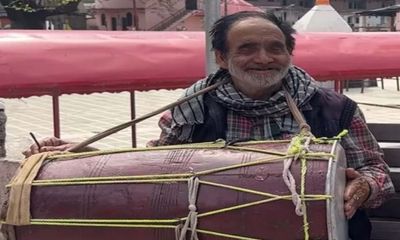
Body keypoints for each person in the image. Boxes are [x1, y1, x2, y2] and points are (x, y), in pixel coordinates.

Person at [23, 11, 393, 240]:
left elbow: (378, 172)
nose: (263, 58)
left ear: (288, 53)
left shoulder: (333, 108)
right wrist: (77, 157)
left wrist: (364, 186)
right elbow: (155, 173)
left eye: (275, 48)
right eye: (247, 48)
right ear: (221, 57)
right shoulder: (191, 109)